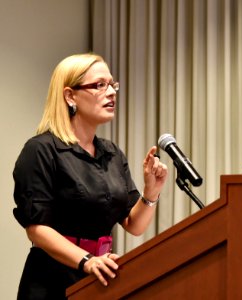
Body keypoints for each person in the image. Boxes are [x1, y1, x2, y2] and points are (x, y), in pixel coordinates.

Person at [12, 53, 168, 299]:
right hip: (52, 281)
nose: (112, 92)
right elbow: (37, 229)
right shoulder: (41, 150)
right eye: (99, 85)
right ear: (70, 96)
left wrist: (152, 191)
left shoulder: (112, 152)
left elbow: (133, 224)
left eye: (112, 84)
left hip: (100, 277)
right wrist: (86, 261)